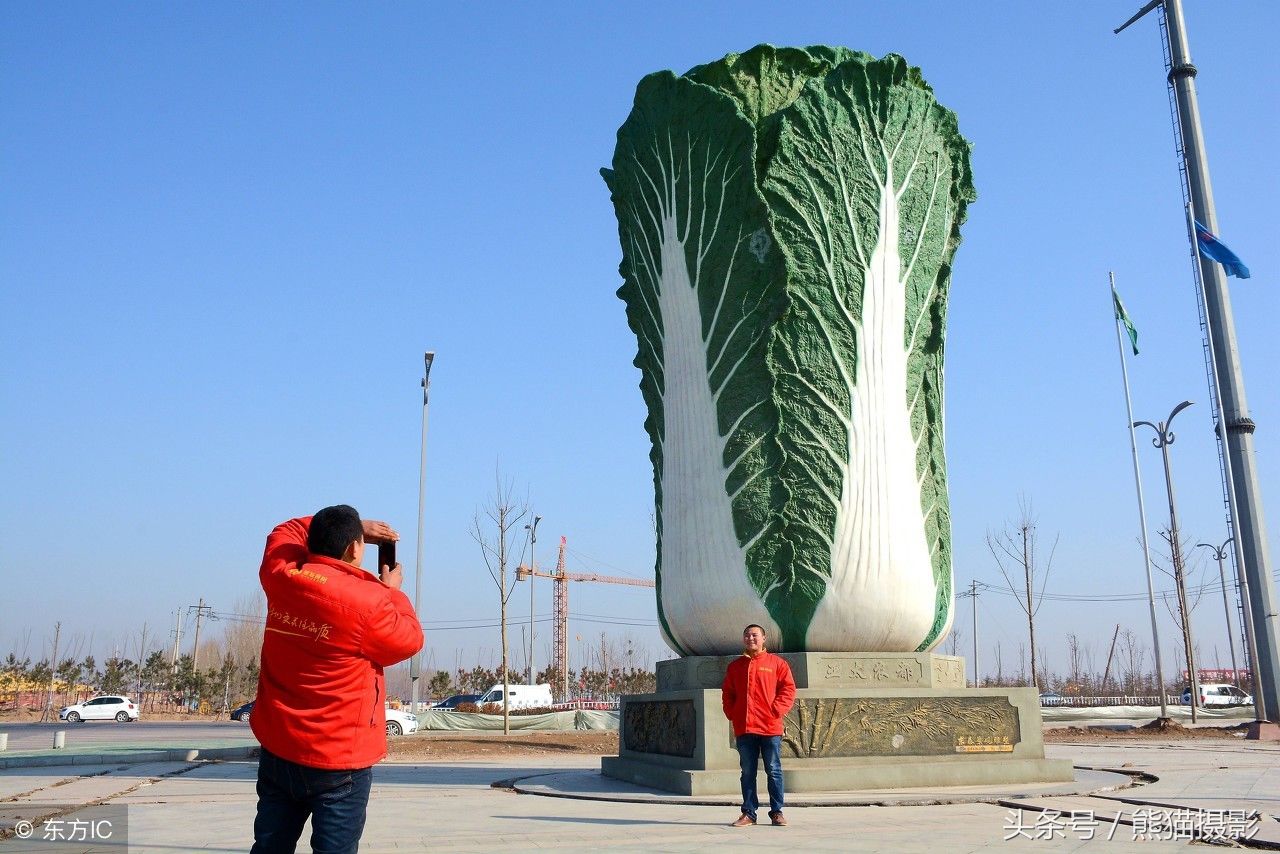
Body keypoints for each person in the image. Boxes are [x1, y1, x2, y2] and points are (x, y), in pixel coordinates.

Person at [250, 505, 424, 853]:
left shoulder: (281, 574)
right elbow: (410, 638)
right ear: (355, 549)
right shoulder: (371, 601)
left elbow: (283, 531)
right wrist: (393, 592)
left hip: (280, 746)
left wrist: (354, 527)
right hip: (339, 760)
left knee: (270, 846)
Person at [720, 623, 796, 827]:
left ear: (764, 638)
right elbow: (728, 693)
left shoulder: (777, 664)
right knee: (747, 772)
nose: (750, 638)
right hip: (745, 728)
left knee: (774, 770)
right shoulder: (735, 666)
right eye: (747, 635)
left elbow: (788, 689)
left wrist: (776, 710)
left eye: (754, 635)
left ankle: (777, 811)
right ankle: (749, 813)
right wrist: (732, 713)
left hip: (770, 727)